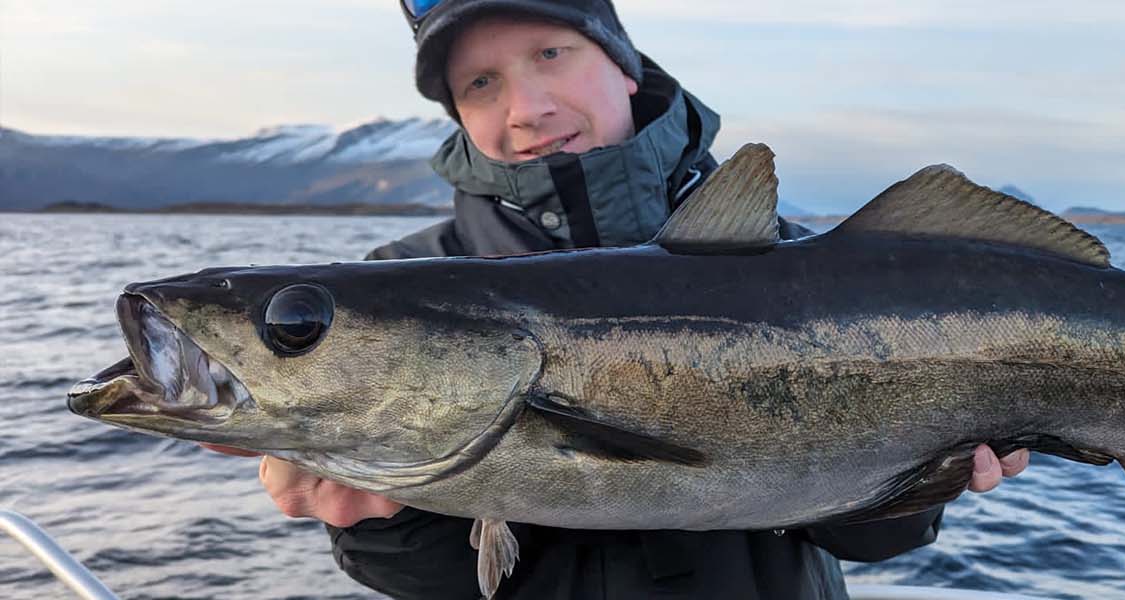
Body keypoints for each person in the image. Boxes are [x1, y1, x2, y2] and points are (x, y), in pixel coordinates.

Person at [204, 1, 1030, 598]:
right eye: (481, 84)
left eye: (551, 54)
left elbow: (870, 539)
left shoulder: (799, 264)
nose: (526, 108)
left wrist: (925, 476)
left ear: (624, 65)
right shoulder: (391, 284)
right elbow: (446, 582)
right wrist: (383, 524)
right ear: (458, 116)